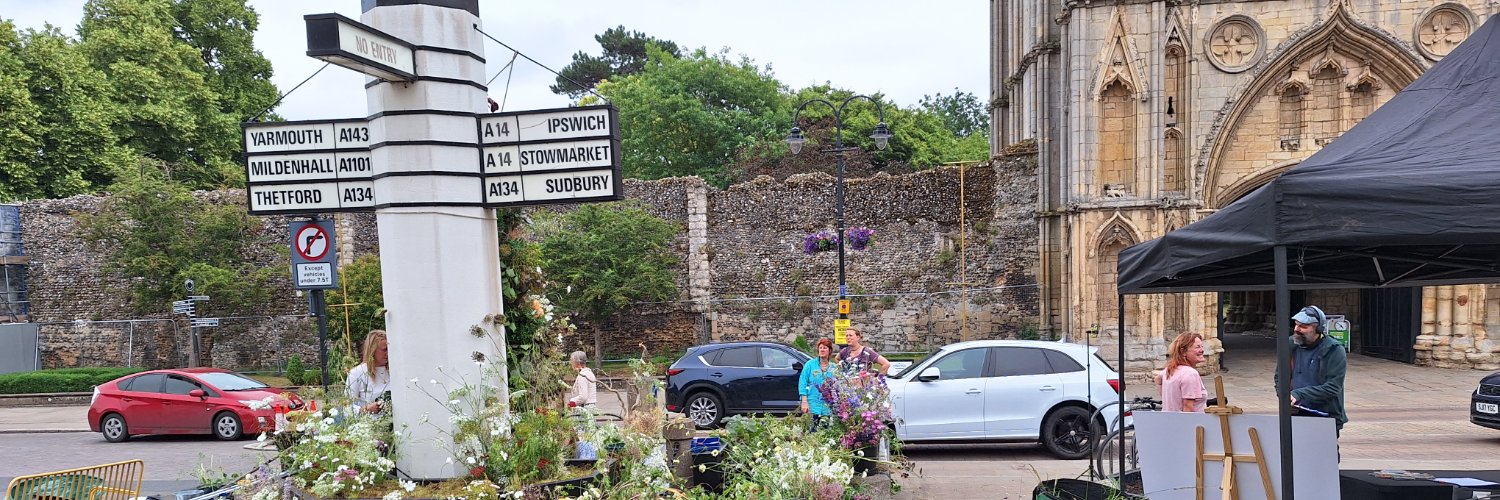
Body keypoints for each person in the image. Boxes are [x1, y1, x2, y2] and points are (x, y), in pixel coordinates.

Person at [1288, 305, 1348, 432]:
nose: (1297, 329)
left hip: (1325, 415)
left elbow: (1333, 387)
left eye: (1303, 326)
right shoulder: (1291, 345)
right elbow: (1280, 376)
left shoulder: (1334, 350)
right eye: (1296, 324)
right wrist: (1285, 397)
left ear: (1318, 329)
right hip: (1296, 413)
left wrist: (1299, 394)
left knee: (1323, 446)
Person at [1158, 332, 1208, 412]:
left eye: (1202, 346)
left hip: (1169, 418)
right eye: (1197, 347)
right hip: (1189, 420)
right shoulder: (1190, 374)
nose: (1202, 350)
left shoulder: (1169, 370)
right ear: (1183, 351)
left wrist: (1167, 400)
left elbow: (1158, 379)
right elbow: (1188, 408)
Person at [346, 330, 389, 414]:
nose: (388, 353)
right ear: (372, 350)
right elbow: (346, 408)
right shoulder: (357, 373)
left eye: (389, 349)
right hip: (370, 421)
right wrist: (366, 409)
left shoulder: (395, 371)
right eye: (384, 349)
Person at [799, 338, 837, 431]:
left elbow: (837, 386)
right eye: (820, 348)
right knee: (811, 431)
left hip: (827, 406)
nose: (822, 350)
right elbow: (803, 382)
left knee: (825, 432)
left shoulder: (834, 367)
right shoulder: (810, 365)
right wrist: (804, 402)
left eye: (825, 348)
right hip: (812, 404)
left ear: (830, 351)